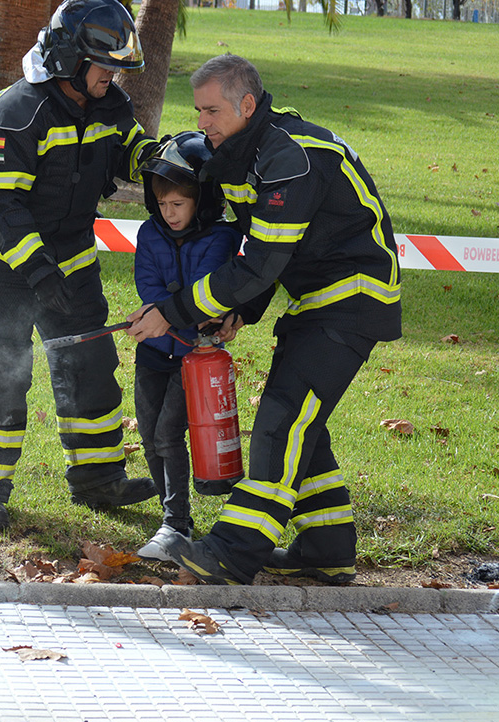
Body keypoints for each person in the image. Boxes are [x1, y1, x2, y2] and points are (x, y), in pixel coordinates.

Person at [125, 54, 402, 584]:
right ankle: (326, 548)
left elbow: (261, 261)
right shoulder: (247, 154)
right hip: (318, 301)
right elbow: (266, 250)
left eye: (210, 111)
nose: (201, 123)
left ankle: (233, 552)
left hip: (351, 300)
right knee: (303, 426)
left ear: (246, 105)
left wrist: (174, 311)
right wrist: (241, 309)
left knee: (280, 420)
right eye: (198, 111)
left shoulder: (288, 158)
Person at [0, 0, 160, 530]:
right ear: (70, 59)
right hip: (2, 264)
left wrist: (163, 164)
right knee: (3, 371)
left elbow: (127, 150)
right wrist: (39, 273)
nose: (112, 77)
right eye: (104, 66)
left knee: (90, 366)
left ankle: (98, 482)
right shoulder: (17, 112)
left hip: (70, 258)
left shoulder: (109, 104)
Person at [130, 131, 242, 559]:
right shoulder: (149, 233)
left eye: (178, 204)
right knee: (149, 433)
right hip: (153, 352)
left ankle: (176, 523)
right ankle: (169, 514)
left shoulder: (220, 239)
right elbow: (147, 282)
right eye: (162, 204)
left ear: (203, 200)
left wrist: (177, 315)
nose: (169, 213)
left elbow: (211, 291)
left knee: (167, 433)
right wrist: (161, 312)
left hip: (193, 357)